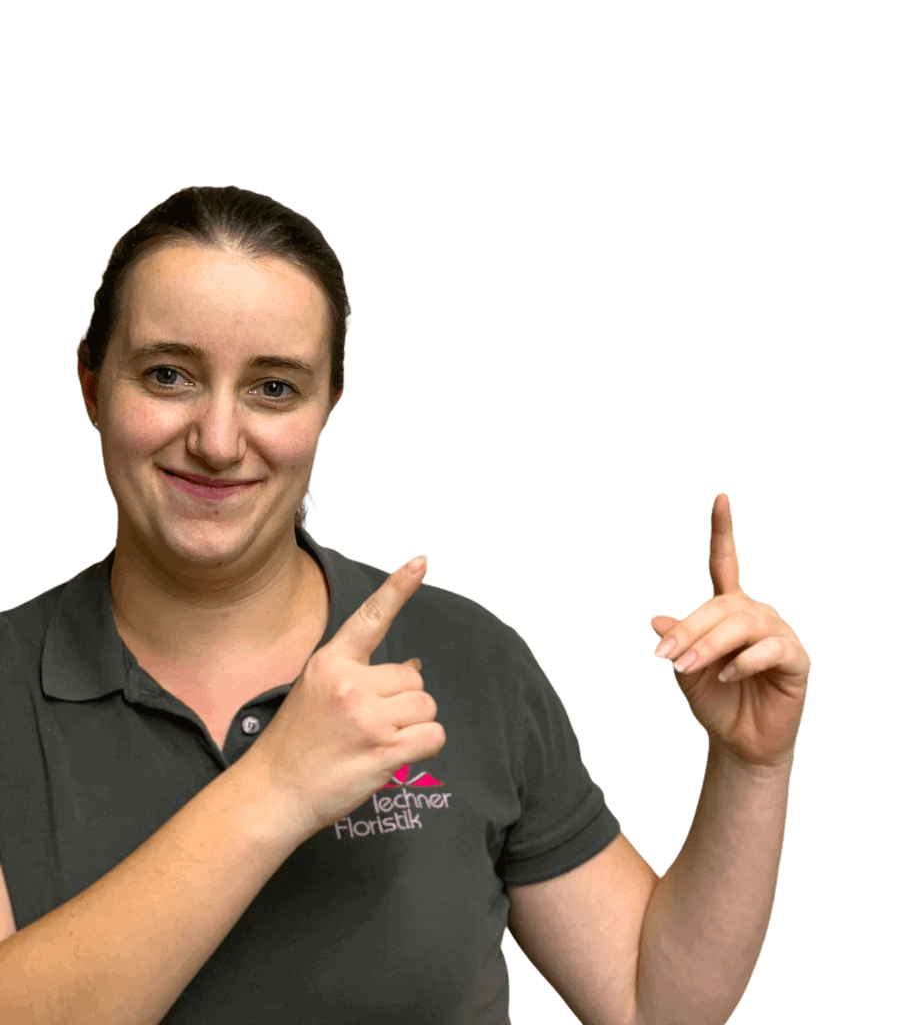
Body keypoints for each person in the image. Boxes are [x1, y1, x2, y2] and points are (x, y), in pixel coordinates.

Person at [0, 185, 810, 1025]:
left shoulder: (469, 659)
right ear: (92, 387)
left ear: (327, 408)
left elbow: (653, 1006)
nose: (217, 439)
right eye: (168, 375)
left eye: (274, 388)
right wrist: (274, 789)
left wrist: (752, 768)